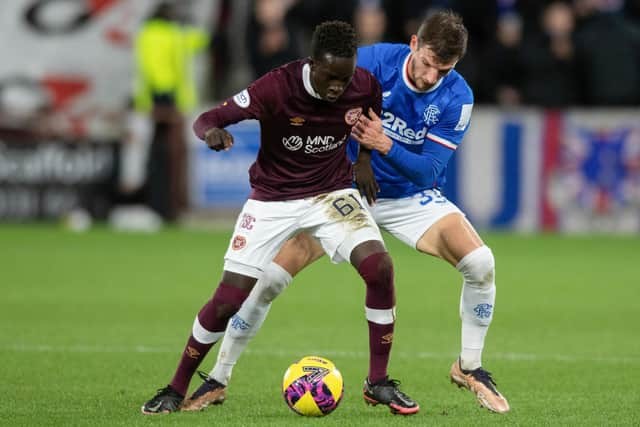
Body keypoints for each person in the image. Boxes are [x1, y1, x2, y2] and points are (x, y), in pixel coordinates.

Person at [185, 10, 510, 414]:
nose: (430, 77)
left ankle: (470, 366)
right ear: (414, 45)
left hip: (408, 197)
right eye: (427, 63)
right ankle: (218, 377)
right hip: (342, 190)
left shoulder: (457, 96)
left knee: (480, 262)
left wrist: (386, 145)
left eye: (442, 70)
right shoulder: (371, 63)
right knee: (267, 280)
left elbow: (430, 171)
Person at [141, 20, 419, 416]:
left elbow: (370, 116)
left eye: (345, 77)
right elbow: (208, 118)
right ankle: (175, 387)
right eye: (331, 78)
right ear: (312, 64)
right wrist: (212, 134)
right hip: (273, 200)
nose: (339, 87)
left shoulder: (363, 83)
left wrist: (364, 162)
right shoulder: (275, 86)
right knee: (227, 300)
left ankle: (378, 382)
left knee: (379, 267)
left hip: (331, 194)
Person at [133, 2, 209, 221]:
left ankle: (154, 204)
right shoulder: (173, 34)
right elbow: (201, 40)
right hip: (168, 103)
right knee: (173, 156)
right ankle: (169, 207)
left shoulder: (145, 34)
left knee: (151, 155)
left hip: (149, 103)